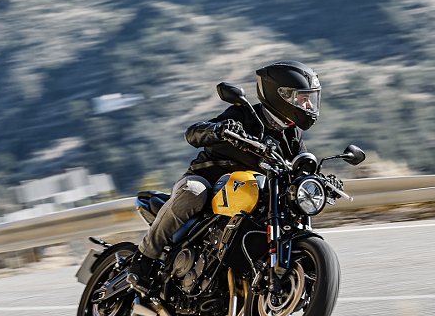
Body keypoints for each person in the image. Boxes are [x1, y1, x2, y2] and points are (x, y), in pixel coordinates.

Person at [127, 60, 322, 292]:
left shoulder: (291, 136)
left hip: (251, 192)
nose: (308, 104)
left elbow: (301, 166)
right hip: (208, 181)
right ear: (282, 95)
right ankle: (144, 258)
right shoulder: (244, 115)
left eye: (310, 98)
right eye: (303, 98)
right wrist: (217, 130)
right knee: (193, 193)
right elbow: (192, 134)